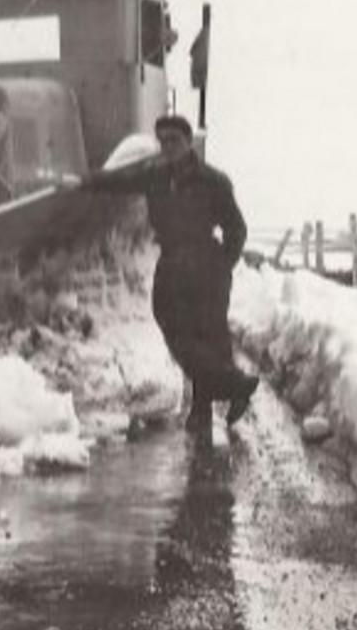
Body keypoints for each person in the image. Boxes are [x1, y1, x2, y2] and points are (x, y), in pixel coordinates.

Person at [83, 115, 258, 434]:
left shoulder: (213, 180)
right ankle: (235, 385)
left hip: (205, 261)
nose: (168, 147)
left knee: (210, 335)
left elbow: (236, 227)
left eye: (174, 140)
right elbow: (119, 182)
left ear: (189, 142)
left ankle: (203, 410)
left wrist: (222, 263)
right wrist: (85, 181)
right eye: (162, 141)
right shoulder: (155, 175)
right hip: (173, 261)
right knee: (173, 328)